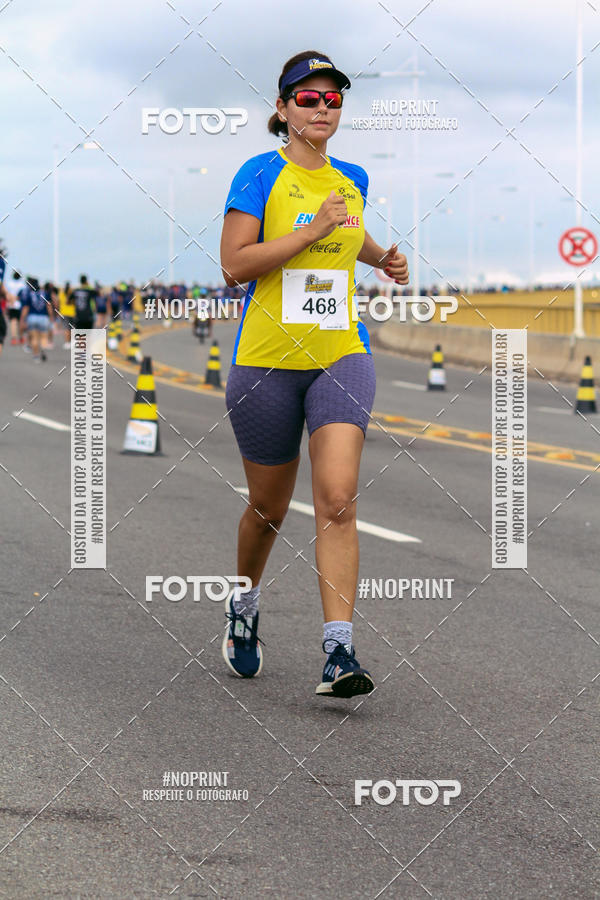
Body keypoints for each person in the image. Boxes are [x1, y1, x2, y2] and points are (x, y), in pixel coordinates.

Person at [220, 51, 409, 697]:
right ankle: (243, 606)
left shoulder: (350, 176)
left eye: (332, 99)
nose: (322, 107)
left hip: (338, 354)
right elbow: (235, 265)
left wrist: (384, 257)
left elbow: (350, 236)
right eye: (308, 98)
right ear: (282, 109)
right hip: (265, 363)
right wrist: (309, 232)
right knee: (268, 510)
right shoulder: (258, 174)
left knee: (337, 498)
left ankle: (339, 654)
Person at [19, 277, 53, 362]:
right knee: (43, 337)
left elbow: (26, 308)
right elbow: (49, 306)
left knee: (34, 337)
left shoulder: (30, 294)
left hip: (32, 317)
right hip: (43, 317)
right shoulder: (45, 294)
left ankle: (36, 356)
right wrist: (51, 316)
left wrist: (22, 319)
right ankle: (43, 350)